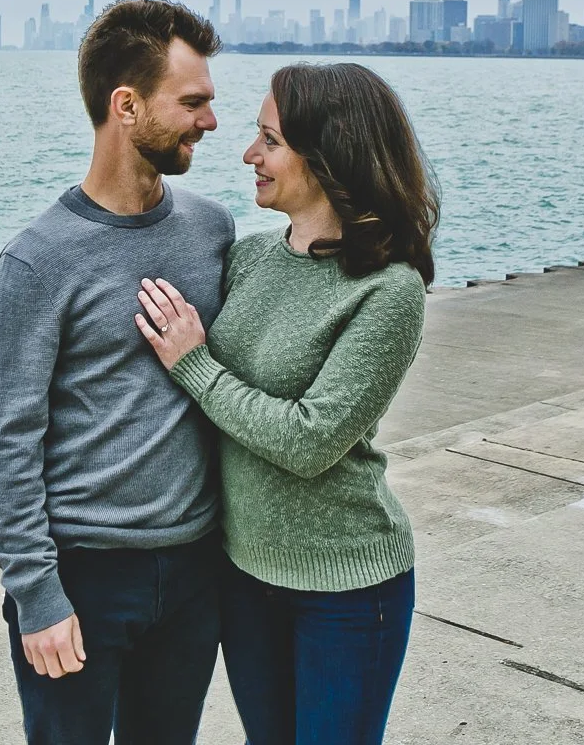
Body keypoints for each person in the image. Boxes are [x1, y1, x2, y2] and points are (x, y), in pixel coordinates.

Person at [136, 62, 439, 745]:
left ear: (329, 155)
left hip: (349, 592)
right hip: (243, 576)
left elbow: (310, 440)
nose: (249, 155)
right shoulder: (248, 259)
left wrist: (195, 364)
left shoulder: (388, 291)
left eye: (269, 141)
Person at [0, 0, 234, 745]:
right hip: (82, 580)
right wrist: (37, 595)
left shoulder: (212, 230)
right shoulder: (36, 264)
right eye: (192, 102)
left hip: (193, 573)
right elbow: (7, 442)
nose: (210, 122)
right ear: (126, 105)